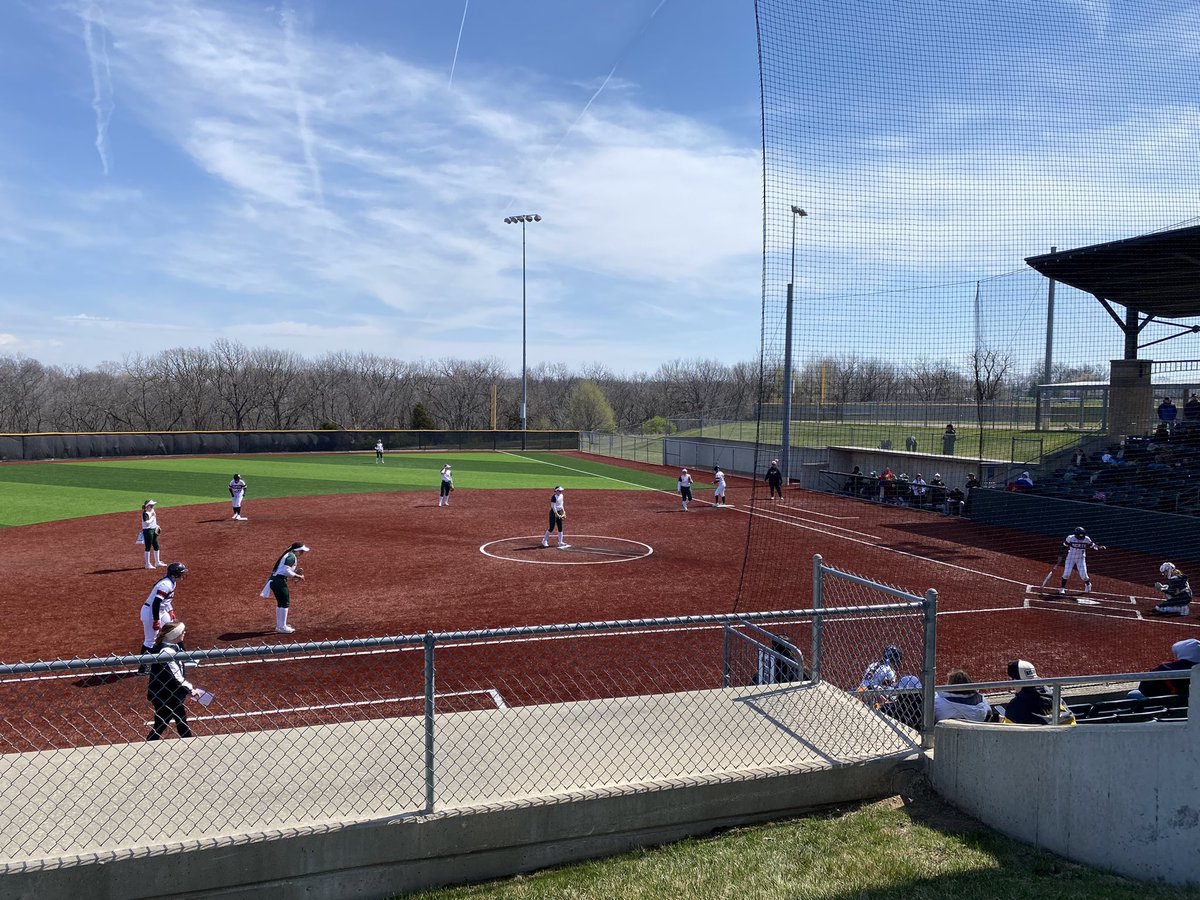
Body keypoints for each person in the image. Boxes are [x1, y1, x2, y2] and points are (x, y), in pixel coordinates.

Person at [146, 621, 203, 740]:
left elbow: (179, 662)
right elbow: (175, 675)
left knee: (171, 720)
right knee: (170, 721)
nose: (185, 633)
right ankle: (188, 741)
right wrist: (190, 689)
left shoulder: (171, 646)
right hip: (166, 694)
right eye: (182, 632)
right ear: (174, 635)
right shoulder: (166, 652)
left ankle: (187, 740)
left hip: (167, 692)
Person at [138, 562, 188, 673]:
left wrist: (170, 610)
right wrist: (156, 620)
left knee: (173, 629)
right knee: (150, 640)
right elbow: (156, 603)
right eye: (181, 573)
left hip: (161, 610)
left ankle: (183, 655)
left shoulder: (171, 582)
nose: (183, 575)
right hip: (151, 612)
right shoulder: (166, 585)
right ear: (175, 574)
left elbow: (165, 601)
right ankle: (143, 667)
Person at [1001, 659, 1075, 725]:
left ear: (1014, 681)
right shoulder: (1054, 695)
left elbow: (1009, 733)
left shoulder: (1016, 705)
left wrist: (1002, 722)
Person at [1131, 639, 1200, 701]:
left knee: (1134, 694)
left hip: (1170, 706)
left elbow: (1144, 688)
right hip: (1194, 706)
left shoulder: (1165, 669)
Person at [262, 542, 310, 633]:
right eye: (301, 551)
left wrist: (294, 574)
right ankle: (282, 627)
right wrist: (297, 576)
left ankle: (280, 626)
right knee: (285, 602)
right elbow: (286, 570)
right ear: (297, 550)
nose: (302, 553)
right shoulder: (291, 556)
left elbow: (284, 570)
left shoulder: (288, 555)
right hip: (279, 581)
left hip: (274, 580)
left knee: (281, 603)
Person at [1056, 525, 1104, 594]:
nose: (1081, 537)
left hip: (1081, 559)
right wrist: (1060, 556)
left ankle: (1088, 584)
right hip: (1071, 558)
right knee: (1066, 573)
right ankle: (1062, 588)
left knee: (1084, 576)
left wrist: (1099, 547)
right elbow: (1064, 547)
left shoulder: (1086, 539)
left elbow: (1093, 545)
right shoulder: (1070, 538)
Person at [139, 499, 165, 570]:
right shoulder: (145, 513)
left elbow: (154, 520)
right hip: (148, 531)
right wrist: (152, 517)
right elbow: (147, 522)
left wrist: (157, 525)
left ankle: (157, 562)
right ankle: (147, 564)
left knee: (156, 545)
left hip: (153, 530)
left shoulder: (152, 511)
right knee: (148, 547)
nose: (153, 506)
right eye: (151, 505)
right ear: (148, 506)